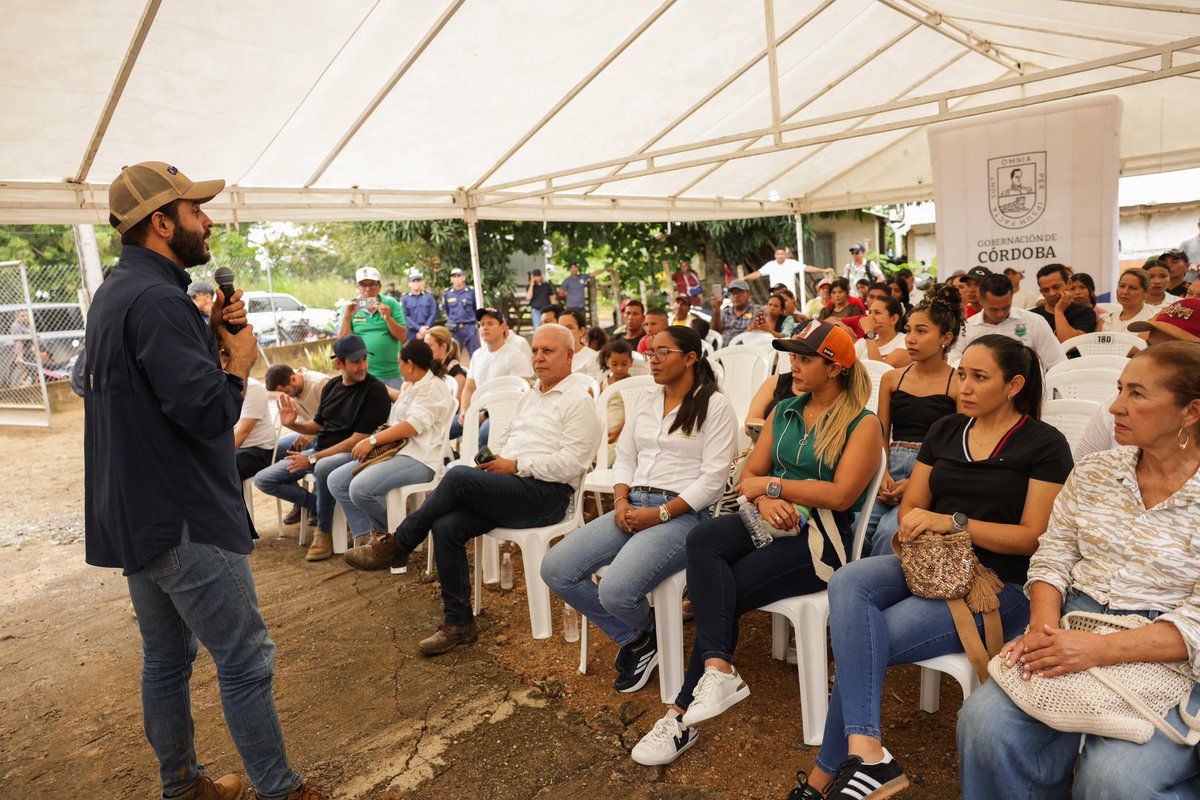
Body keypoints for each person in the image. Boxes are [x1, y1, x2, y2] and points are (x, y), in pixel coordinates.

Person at [85, 160, 325, 800]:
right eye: (196, 212)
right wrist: (239, 363)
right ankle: (280, 790)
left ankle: (182, 786)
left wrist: (208, 340)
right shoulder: (161, 300)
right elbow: (209, 414)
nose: (208, 219)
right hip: (182, 513)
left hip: (137, 513)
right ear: (161, 224)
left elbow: (121, 387)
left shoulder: (113, 294)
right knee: (245, 660)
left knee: (167, 659)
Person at [789, 334, 1072, 800]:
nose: (964, 385)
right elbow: (910, 510)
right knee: (849, 579)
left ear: (1014, 384)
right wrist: (930, 526)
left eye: (980, 377)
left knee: (867, 640)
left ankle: (824, 777)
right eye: (963, 373)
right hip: (930, 563)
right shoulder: (945, 430)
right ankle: (868, 753)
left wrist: (952, 523)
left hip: (995, 583)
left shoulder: (1043, 444)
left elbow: (1031, 537)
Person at [631, 320, 883, 766]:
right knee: (705, 538)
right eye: (793, 357)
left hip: (820, 539)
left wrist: (774, 487)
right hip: (766, 520)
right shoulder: (785, 410)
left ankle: (679, 716)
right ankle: (718, 669)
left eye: (805, 359)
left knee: (722, 589)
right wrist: (766, 497)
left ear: (835, 368)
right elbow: (748, 476)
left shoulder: (863, 424)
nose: (794, 366)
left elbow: (840, 495)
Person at [957, 341, 1200, 800]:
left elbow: (1195, 623)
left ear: (1190, 412)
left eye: (1137, 394)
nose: (1115, 406)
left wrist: (1097, 650)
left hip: (1172, 654)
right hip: (1071, 624)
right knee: (985, 726)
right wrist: (1045, 629)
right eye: (1119, 389)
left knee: (1115, 781)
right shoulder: (1095, 471)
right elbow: (1053, 556)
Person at [341, 324, 602, 656]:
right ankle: (459, 623)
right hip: (512, 486)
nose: (538, 357)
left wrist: (516, 465)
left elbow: (573, 464)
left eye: (547, 351)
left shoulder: (579, 402)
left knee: (458, 477)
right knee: (446, 526)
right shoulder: (531, 396)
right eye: (535, 350)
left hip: (547, 496)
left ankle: (398, 543)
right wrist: (492, 461)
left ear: (569, 355)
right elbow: (506, 443)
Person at [541, 326, 736, 693]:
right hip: (631, 505)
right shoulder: (648, 398)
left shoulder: (714, 405)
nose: (653, 360)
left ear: (690, 358)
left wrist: (660, 515)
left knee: (615, 591)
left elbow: (713, 480)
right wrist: (620, 501)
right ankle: (641, 638)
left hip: (682, 516)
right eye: (651, 353)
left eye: (663, 352)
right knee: (556, 568)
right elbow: (626, 456)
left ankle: (644, 635)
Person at [254, 334, 392, 561]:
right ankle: (314, 506)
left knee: (323, 466)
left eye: (364, 360)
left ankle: (323, 531)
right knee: (263, 479)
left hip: (353, 452)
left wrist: (312, 458)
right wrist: (293, 424)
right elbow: (318, 425)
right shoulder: (332, 386)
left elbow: (357, 439)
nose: (362, 366)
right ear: (340, 363)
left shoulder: (374, 390)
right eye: (356, 362)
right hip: (323, 449)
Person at [326, 339, 457, 547]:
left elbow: (412, 426)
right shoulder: (414, 385)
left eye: (400, 363)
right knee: (336, 480)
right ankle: (375, 534)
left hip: (419, 459)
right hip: (395, 453)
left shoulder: (432, 389)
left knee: (359, 489)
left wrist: (372, 440)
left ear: (410, 365)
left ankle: (400, 537)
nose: (399, 368)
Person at [863, 285, 962, 555]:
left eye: (921, 331)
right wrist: (882, 473)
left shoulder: (957, 384)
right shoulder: (893, 378)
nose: (910, 339)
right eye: (908, 331)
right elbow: (881, 433)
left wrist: (917, 483)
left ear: (946, 337)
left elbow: (958, 445)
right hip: (889, 468)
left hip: (932, 471)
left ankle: (876, 587)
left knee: (888, 530)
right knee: (859, 521)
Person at [1074, 298, 1200, 458]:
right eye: (1149, 347)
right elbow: (1081, 468)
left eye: (1168, 355)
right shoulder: (1117, 406)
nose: (1151, 359)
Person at [949, 271, 1065, 370]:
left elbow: (1057, 363)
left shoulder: (1034, 322)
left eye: (1006, 307)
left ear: (1011, 297)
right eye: (993, 309)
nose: (1000, 313)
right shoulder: (966, 327)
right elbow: (954, 362)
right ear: (980, 300)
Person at [264, 363, 333, 525]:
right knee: (274, 450)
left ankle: (317, 504)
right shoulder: (294, 390)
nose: (286, 396)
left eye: (286, 391)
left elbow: (338, 419)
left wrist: (314, 433)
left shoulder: (320, 384)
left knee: (313, 447)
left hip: (328, 435)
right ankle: (304, 503)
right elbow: (304, 422)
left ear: (293, 378)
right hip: (309, 432)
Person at [454, 307, 533, 441]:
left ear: (503, 327)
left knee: (485, 434)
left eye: (490, 323)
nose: (484, 328)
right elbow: (469, 388)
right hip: (477, 410)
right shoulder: (477, 355)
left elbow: (520, 396)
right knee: (446, 427)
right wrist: (464, 411)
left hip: (503, 414)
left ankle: (481, 462)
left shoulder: (516, 356)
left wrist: (485, 415)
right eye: (481, 324)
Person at [339, 266, 407, 389]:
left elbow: (403, 337)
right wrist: (346, 318)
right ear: (357, 288)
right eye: (363, 285)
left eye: (372, 285)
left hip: (391, 373)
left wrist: (388, 318)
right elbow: (343, 343)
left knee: (396, 407)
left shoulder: (390, 303)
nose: (367, 289)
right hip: (362, 374)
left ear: (379, 286)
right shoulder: (349, 307)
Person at [228, 351, 277, 482]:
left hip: (259, 451)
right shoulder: (221, 387)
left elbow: (243, 432)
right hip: (240, 448)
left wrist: (218, 455)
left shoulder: (252, 388)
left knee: (221, 468)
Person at [1031, 263, 1097, 342]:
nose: (1052, 293)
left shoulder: (1085, 313)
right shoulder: (1032, 316)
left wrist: (1059, 311)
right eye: (1045, 290)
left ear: (1069, 284)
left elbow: (1071, 345)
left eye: (1056, 287)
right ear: (1041, 291)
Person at [598, 339, 636, 465]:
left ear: (631, 362)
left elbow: (632, 413)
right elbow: (590, 403)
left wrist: (617, 432)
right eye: (614, 364)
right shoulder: (601, 383)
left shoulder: (635, 385)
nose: (619, 368)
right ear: (607, 362)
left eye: (624, 364)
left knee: (612, 453)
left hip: (622, 431)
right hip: (601, 429)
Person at [746, 247, 831, 297]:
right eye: (778, 254)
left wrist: (823, 270)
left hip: (789, 296)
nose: (780, 256)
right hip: (775, 296)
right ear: (775, 255)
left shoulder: (792, 263)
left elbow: (807, 268)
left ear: (785, 255)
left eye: (782, 254)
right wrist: (744, 278)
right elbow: (757, 274)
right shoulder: (770, 265)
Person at [856, 295, 910, 367]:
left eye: (877, 313)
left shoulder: (905, 340)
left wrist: (869, 332)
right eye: (870, 312)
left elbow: (879, 370)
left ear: (894, 319)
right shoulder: (862, 342)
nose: (870, 317)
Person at [1100, 268, 1155, 333]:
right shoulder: (1108, 319)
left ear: (1146, 292)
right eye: (1122, 286)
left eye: (1133, 288)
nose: (1125, 292)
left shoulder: (1153, 317)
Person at [442, 267, 479, 356]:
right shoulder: (447, 293)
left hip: (470, 328)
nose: (456, 279)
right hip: (454, 330)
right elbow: (446, 310)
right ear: (451, 279)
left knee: (476, 355)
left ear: (463, 278)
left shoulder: (471, 292)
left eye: (459, 276)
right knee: (453, 356)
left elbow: (475, 308)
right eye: (454, 277)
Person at [423, 325, 467, 400]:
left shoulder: (457, 374)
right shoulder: (426, 366)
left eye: (429, 346)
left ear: (443, 347)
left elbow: (455, 406)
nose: (424, 349)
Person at [558, 309, 603, 381]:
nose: (564, 331)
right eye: (560, 328)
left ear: (581, 331)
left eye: (569, 327)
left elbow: (595, 388)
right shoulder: (554, 356)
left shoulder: (593, 357)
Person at [400, 268, 438, 339]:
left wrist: (425, 328)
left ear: (421, 283)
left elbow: (433, 313)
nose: (416, 283)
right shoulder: (405, 298)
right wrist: (419, 329)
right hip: (412, 332)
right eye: (413, 281)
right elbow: (404, 316)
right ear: (409, 284)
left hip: (428, 331)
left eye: (418, 281)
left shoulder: (429, 296)